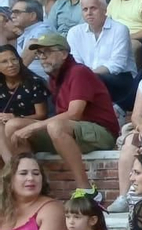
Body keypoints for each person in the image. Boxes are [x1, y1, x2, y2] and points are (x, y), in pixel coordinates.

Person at [13, 32, 117, 194]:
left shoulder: (78, 71)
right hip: (72, 131)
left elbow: (74, 113)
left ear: (63, 54)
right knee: (14, 127)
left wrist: (34, 127)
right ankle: (30, 188)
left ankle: (87, 189)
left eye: (47, 52)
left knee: (55, 127)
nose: (42, 58)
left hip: (101, 132)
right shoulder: (54, 77)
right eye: (39, 53)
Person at [65, 0, 134, 111]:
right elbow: (75, 62)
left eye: (93, 8)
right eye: (85, 9)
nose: (89, 13)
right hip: (86, 78)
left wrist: (89, 74)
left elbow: (117, 64)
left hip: (119, 79)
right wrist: (86, 75)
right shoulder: (74, 32)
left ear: (104, 9)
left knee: (92, 80)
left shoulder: (119, 29)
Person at [0, 43, 49, 158]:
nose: (11, 64)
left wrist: (16, 117)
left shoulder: (33, 82)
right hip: (5, 128)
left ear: (19, 60)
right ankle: (11, 168)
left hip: (34, 126)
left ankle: (14, 169)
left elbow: (42, 115)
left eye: (14, 59)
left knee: (12, 124)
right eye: (4, 62)